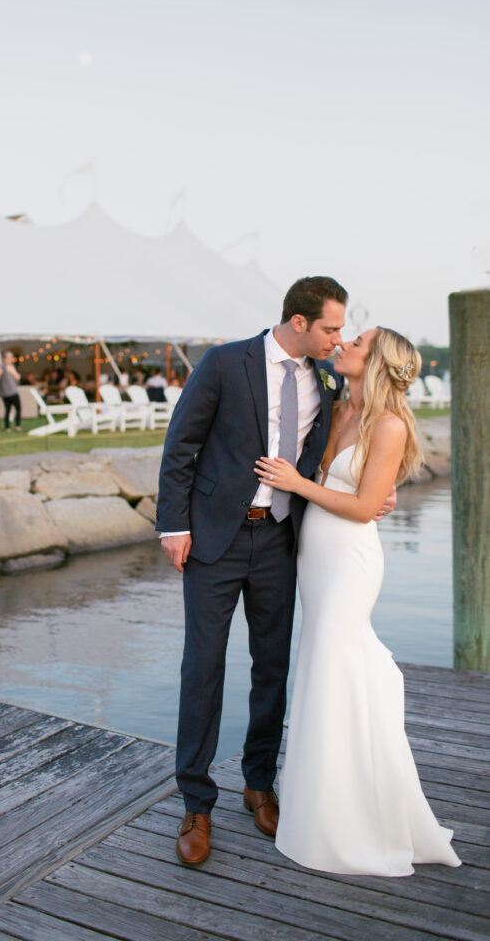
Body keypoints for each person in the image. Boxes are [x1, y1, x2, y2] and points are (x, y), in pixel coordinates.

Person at [156, 276, 373, 865]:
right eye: (331, 326)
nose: (339, 336)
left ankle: (258, 784)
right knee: (202, 668)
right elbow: (182, 447)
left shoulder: (327, 377)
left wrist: (380, 489)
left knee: (272, 667)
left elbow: (337, 449)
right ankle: (196, 802)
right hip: (214, 541)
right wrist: (173, 526)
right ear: (299, 322)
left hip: (281, 540)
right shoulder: (226, 363)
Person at [256, 327, 461, 876]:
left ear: (374, 362)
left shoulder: (389, 424)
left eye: (359, 342)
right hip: (314, 560)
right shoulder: (333, 401)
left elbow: (365, 505)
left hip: (349, 562)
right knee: (325, 674)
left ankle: (348, 822)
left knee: (333, 664)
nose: (344, 343)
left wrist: (297, 484)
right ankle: (322, 804)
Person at [0, 350, 22, 431]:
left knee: (7, 410)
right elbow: (17, 377)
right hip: (12, 392)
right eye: (10, 358)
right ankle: (17, 425)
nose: (12, 359)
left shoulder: (1, 367)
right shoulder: (9, 367)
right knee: (18, 408)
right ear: (5, 359)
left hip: (4, 393)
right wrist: (18, 374)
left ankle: (7, 427)